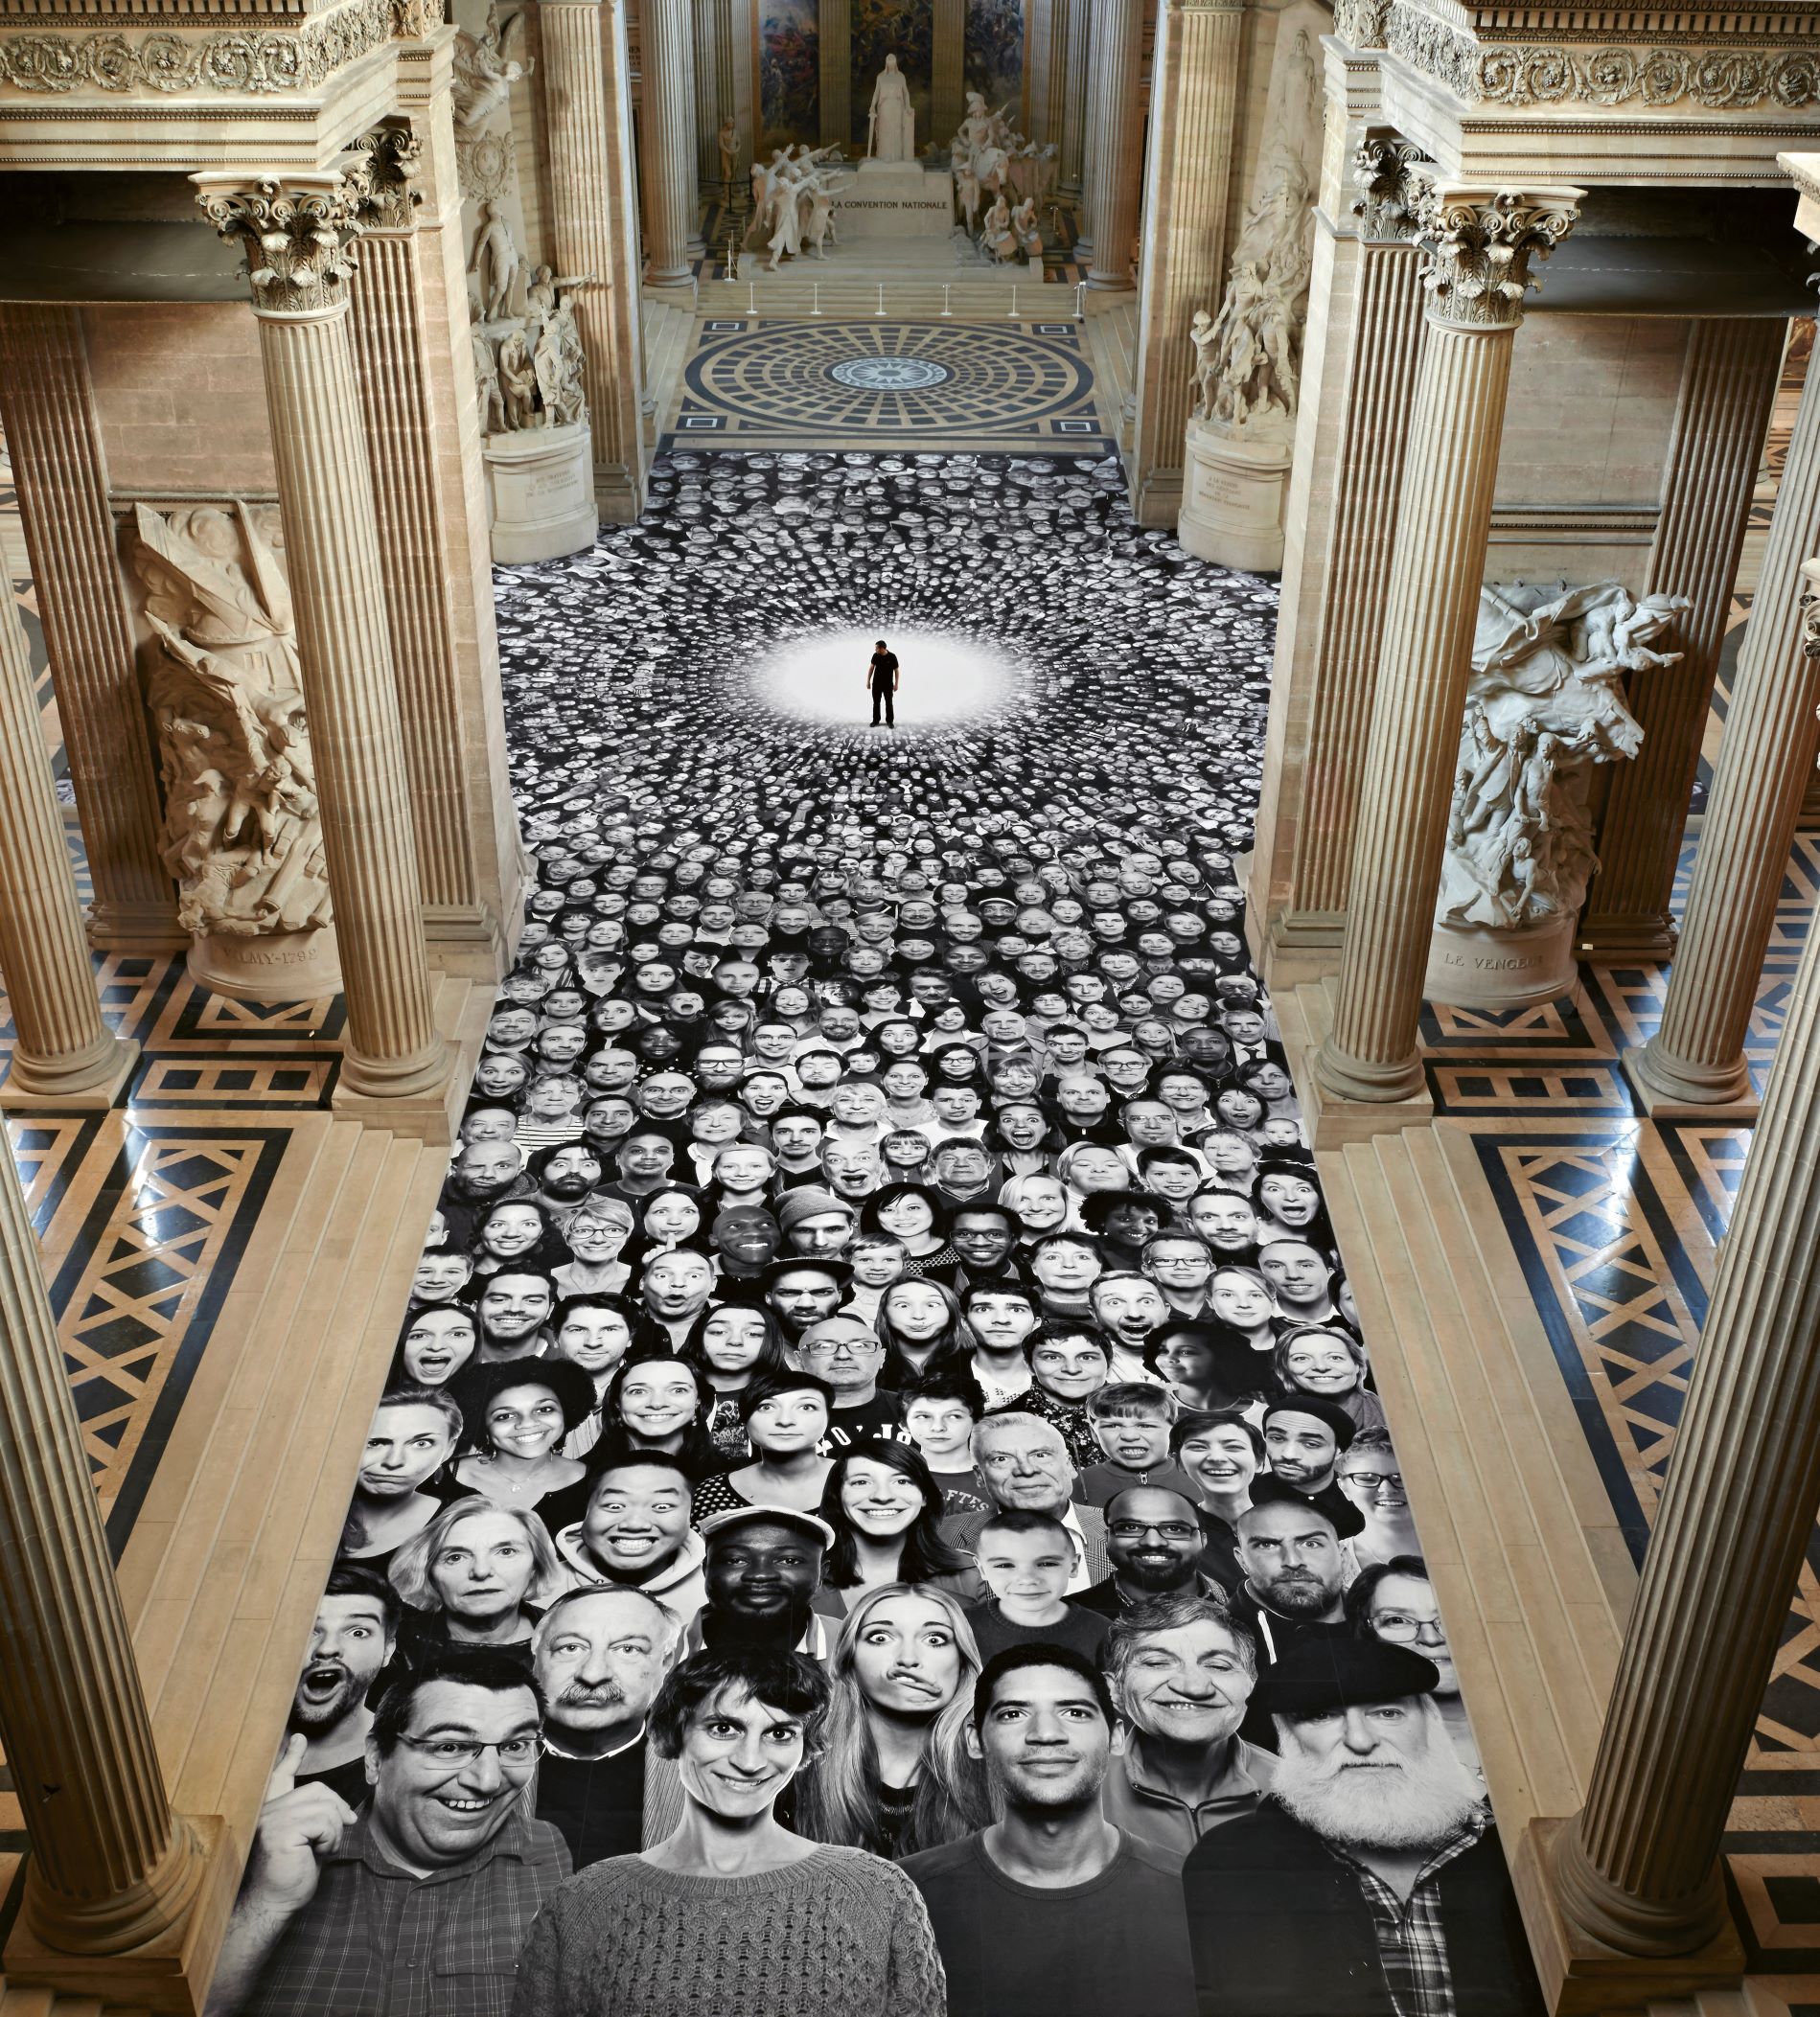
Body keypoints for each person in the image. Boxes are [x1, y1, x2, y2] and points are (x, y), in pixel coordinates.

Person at [510, 1647, 947, 2016]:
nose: (751, 1760)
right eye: (723, 1728)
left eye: (779, 1733)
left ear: (805, 1748)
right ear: (673, 1734)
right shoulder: (583, 1902)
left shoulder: (876, 1890)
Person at [1182, 1637, 1542, 2016]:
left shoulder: (1510, 1842)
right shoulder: (1232, 1864)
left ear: (1430, 1724)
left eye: (1387, 1713)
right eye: (1323, 1716)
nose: (1360, 1740)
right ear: (1288, 1738)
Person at [212, 1647, 569, 2017]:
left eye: (514, 1746)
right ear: (375, 1758)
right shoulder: (275, 1859)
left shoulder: (554, 1856)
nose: (489, 1780)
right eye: (449, 1746)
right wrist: (269, 1901)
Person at [901, 1644, 1198, 2017]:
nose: (1045, 1734)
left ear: (1116, 1737)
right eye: (1013, 1713)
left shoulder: (1197, 1894)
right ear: (975, 1740)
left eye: (1074, 1712)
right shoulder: (904, 1893)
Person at [795, 1583, 993, 1858]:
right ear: (849, 1661)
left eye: (934, 1639)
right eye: (881, 1637)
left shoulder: (1001, 1775)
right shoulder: (796, 1769)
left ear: (962, 1664)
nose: (908, 1659)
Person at [1100, 1593, 1273, 1853]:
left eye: (1219, 1666)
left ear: (1251, 1686)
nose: (1193, 1686)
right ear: (1115, 1690)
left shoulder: (1295, 1789)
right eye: (1157, 1663)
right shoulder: (1079, 1789)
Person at [531, 1585, 685, 1867]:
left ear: (666, 1664)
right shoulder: (480, 1761)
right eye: (570, 1647)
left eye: (628, 1649)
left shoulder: (702, 1772)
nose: (592, 1674)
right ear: (536, 1656)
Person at [388, 1496, 564, 1667]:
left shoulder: (565, 1633)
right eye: (455, 1557)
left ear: (536, 1565)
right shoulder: (393, 1644)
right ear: (429, 1572)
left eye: (506, 1552)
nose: (481, 1571)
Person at [946, 1412, 1110, 1593]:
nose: (1026, 1469)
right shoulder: (942, 1536)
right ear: (980, 1477)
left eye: (1041, 1455)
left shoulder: (1120, 1528)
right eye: (1001, 1459)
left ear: (1069, 1466)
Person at [284, 1566, 398, 1808]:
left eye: (357, 1631)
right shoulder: (225, 1744)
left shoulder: (399, 1767)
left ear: (388, 1650)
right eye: (308, 1630)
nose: (327, 1648)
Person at [551, 1455, 707, 1626]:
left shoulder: (715, 1593)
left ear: (690, 1515)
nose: (634, 1524)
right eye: (615, 1506)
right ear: (586, 1511)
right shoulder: (536, 1587)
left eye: (662, 1506)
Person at [815, 1442, 972, 1613]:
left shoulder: (972, 1575)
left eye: (902, 1481)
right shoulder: (805, 1575)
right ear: (837, 1496)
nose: (882, 1496)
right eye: (861, 1482)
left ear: (925, 1496)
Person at [337, 1386, 462, 1575]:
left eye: (421, 1444)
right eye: (374, 1443)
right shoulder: (305, 1507)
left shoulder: (461, 1523)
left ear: (449, 1449)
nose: (394, 1462)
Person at [688, 1503, 837, 1658]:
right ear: (706, 1569)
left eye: (790, 1560)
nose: (760, 1575)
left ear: (822, 1573)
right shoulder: (665, 1645)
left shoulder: (852, 1643)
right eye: (735, 1560)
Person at [964, 1509, 1110, 1663]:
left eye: (1046, 1564)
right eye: (1004, 1565)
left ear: (1073, 1566)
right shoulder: (959, 1626)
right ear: (981, 1569)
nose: (1027, 1580)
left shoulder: (1102, 1631)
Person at [1076, 1485, 1217, 1619]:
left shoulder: (1235, 1608)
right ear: (1107, 1537)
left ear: (1203, 1541)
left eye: (1174, 1529)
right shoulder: (1071, 1614)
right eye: (1130, 1527)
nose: (1152, 1542)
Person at [867, 638, 900, 727]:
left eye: (877, 648)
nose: (875, 650)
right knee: (876, 702)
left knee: (889, 703)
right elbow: (871, 668)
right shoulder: (875, 655)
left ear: (882, 648)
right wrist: (868, 681)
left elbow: (896, 670)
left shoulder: (892, 656)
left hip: (888, 684)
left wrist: (896, 684)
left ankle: (889, 721)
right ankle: (875, 720)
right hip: (876, 684)